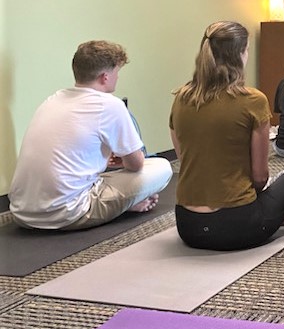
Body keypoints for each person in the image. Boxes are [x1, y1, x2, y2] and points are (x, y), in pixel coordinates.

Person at [170, 21, 284, 251]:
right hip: (238, 227)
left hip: (188, 225)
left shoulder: (181, 98)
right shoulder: (253, 100)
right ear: (241, 54)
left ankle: (272, 215)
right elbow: (260, 179)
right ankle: (276, 217)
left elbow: (186, 160)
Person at [9, 41, 172, 230]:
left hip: (21, 212)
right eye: (116, 73)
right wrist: (124, 162)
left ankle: (124, 202)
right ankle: (125, 205)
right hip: (65, 214)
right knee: (163, 166)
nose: (117, 78)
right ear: (105, 77)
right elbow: (136, 164)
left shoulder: (52, 100)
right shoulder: (110, 105)